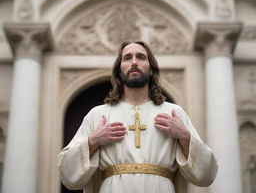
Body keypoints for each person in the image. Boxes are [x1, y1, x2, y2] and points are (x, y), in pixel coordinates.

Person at [58, 40, 218, 193]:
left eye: (141, 57)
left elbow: (206, 174)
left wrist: (184, 137)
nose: (134, 62)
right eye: (128, 58)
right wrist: (93, 141)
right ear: (119, 71)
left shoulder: (173, 113)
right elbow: (68, 174)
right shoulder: (98, 115)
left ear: (151, 68)